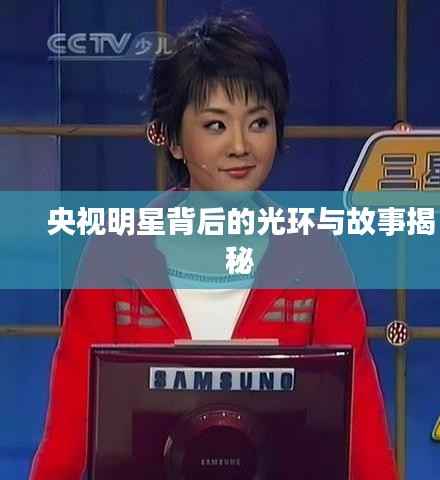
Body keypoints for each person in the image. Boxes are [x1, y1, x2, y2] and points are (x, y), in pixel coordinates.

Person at [30, 10, 397, 480]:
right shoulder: (115, 257)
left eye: (258, 122)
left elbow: (364, 444)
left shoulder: (314, 256)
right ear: (174, 140)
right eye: (216, 126)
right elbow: (66, 442)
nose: (241, 146)